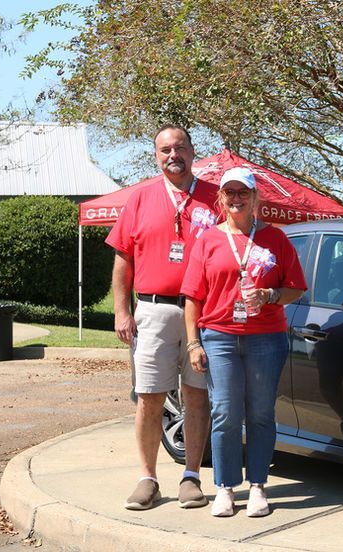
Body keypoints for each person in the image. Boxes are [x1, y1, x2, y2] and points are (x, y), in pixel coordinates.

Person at [180, 167, 306, 517]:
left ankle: (258, 486)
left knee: (261, 413)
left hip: (266, 338)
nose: (236, 199)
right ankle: (225, 487)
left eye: (243, 193)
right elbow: (192, 297)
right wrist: (193, 343)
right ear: (221, 198)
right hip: (219, 337)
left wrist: (270, 294)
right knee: (225, 412)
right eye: (230, 192)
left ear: (255, 198)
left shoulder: (275, 238)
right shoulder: (208, 239)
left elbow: (295, 287)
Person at [107, 124, 220, 510]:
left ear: (192, 151)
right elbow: (123, 260)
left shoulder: (216, 198)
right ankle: (148, 479)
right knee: (150, 397)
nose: (174, 155)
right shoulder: (140, 198)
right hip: (153, 311)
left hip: (203, 313)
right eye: (165, 149)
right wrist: (122, 311)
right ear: (156, 156)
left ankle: (191, 477)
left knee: (196, 396)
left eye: (180, 147)